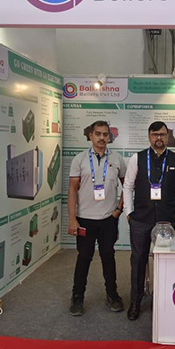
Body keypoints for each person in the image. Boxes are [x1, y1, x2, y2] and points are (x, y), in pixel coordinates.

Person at [123, 121, 175, 320]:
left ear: (167, 136)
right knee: (138, 260)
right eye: (155, 134)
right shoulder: (137, 158)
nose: (158, 138)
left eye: (162, 134)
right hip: (140, 219)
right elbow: (128, 186)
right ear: (149, 136)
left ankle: (163, 301)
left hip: (166, 221)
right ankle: (135, 302)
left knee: (165, 261)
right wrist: (129, 212)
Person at [67, 120, 126, 316]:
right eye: (98, 134)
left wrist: (118, 210)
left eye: (105, 134)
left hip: (108, 219)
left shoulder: (117, 159)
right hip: (85, 219)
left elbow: (127, 187)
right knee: (84, 258)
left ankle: (112, 295)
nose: (102, 137)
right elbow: (72, 190)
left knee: (108, 257)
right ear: (90, 135)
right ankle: (77, 297)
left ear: (109, 137)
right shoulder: (79, 160)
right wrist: (72, 219)